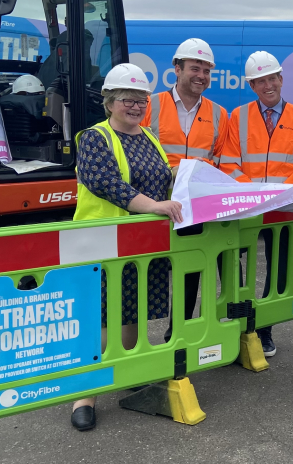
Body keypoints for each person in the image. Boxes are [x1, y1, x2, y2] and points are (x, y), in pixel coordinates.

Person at [70, 63, 184, 432]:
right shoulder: (94, 138)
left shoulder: (149, 137)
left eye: (141, 100)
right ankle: (84, 396)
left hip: (142, 245)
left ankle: (126, 372)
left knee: (131, 314)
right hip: (101, 245)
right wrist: (152, 206)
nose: (135, 106)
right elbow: (107, 183)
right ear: (109, 102)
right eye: (126, 100)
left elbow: (163, 178)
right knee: (102, 319)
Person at [219, 51, 293, 357]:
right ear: (252, 85)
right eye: (259, 81)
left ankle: (265, 328)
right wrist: (252, 194)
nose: (267, 86)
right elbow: (228, 162)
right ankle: (240, 323)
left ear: (281, 79)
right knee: (233, 267)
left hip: (284, 210)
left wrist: (281, 194)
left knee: (279, 273)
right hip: (247, 209)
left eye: (271, 79)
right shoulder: (239, 117)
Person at [140, 38, 229, 324]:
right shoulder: (150, 106)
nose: (201, 76)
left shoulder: (218, 114)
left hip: (194, 208)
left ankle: (178, 333)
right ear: (177, 69)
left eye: (206, 70)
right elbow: (135, 153)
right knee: (148, 273)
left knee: (189, 272)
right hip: (154, 205)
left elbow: (221, 162)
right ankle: (139, 341)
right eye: (195, 68)